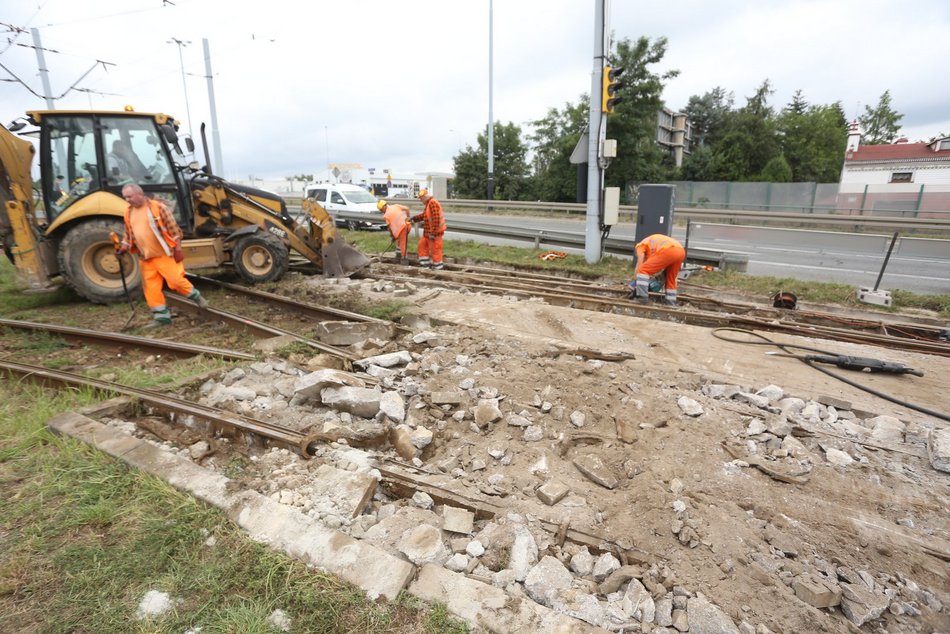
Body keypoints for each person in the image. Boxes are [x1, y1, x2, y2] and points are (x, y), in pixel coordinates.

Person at [115, 183, 208, 328]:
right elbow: (128, 235)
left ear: (140, 194)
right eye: (125, 197)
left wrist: (177, 249)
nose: (127, 199)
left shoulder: (157, 208)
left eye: (129, 196)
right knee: (151, 289)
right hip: (146, 258)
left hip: (164, 254)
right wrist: (123, 248)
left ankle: (195, 296)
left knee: (176, 281)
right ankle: (162, 318)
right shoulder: (128, 212)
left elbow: (174, 231)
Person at [628, 233, 686, 306]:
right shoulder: (652, 245)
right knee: (671, 278)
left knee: (643, 270)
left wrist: (636, 282)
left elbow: (640, 265)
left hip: (668, 250)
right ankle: (670, 303)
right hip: (681, 251)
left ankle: (642, 298)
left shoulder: (641, 245)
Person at [411, 188, 446, 269]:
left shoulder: (432, 203)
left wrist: (433, 233)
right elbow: (424, 215)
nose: (420, 200)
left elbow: (436, 218)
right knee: (422, 246)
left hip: (434, 234)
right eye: (420, 198)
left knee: (435, 252)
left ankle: (438, 269)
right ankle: (425, 266)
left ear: (426, 196)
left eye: (421, 198)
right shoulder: (428, 203)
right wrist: (414, 218)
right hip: (427, 234)